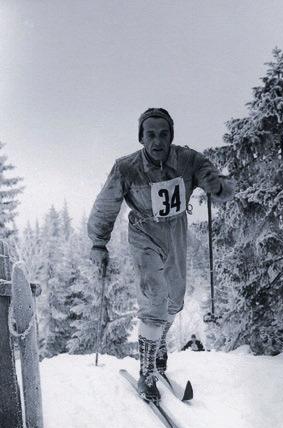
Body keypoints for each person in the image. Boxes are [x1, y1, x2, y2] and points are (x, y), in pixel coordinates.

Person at [88, 108, 234, 402]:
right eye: (150, 134)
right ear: (141, 137)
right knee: (154, 297)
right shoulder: (126, 168)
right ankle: (146, 371)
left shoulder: (187, 159)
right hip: (144, 233)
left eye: (163, 134)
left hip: (176, 231)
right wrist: (98, 243)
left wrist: (217, 186)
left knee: (174, 300)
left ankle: (158, 346)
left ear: (171, 136)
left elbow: (213, 179)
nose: (157, 141)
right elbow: (106, 205)